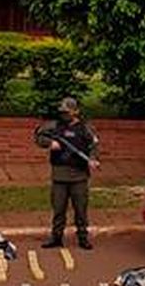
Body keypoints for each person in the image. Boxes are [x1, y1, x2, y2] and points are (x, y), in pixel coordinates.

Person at [33, 97, 100, 249]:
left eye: (67, 112)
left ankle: (83, 238)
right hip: (59, 175)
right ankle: (56, 237)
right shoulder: (55, 126)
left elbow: (94, 145)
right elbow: (38, 136)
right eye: (62, 112)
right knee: (58, 209)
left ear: (76, 112)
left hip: (79, 176)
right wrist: (50, 143)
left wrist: (93, 159)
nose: (64, 115)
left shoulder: (85, 128)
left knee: (81, 210)